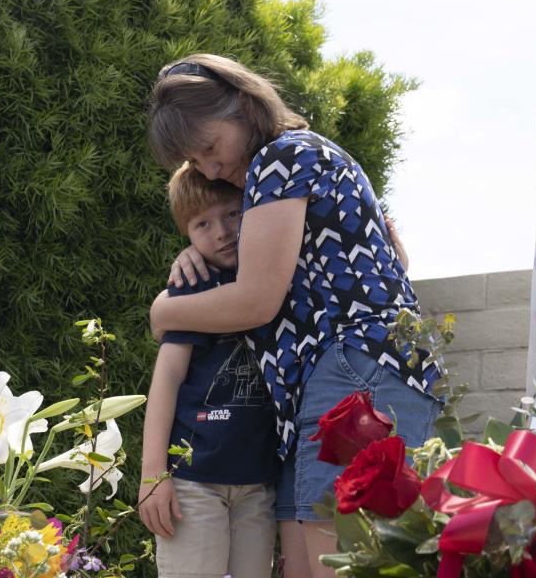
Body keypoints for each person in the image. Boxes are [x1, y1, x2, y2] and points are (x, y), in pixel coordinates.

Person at [147, 54, 443, 578]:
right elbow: (388, 263)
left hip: (353, 375)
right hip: (339, 382)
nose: (212, 169)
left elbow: (255, 299)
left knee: (343, 566)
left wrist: (164, 311)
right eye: (198, 163)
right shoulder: (310, 157)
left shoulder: (281, 158)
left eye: (211, 148)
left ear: (242, 102)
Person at [139, 163, 278, 578]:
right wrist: (152, 477)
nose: (221, 231)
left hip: (258, 482)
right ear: (186, 234)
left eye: (233, 214)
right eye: (202, 224)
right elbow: (166, 381)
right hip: (193, 480)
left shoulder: (276, 273)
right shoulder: (193, 285)